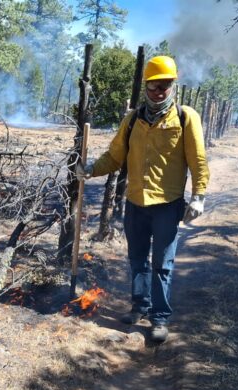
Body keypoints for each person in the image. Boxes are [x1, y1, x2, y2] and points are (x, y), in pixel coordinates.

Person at [78, 55, 210, 343]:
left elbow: (198, 160)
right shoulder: (132, 120)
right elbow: (114, 156)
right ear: (146, 87)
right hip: (136, 204)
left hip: (167, 205)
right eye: (154, 86)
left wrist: (198, 195)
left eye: (165, 85)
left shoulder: (186, 117)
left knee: (162, 264)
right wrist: (90, 170)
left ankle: (159, 319)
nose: (159, 91)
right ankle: (140, 307)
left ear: (172, 85)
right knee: (137, 260)